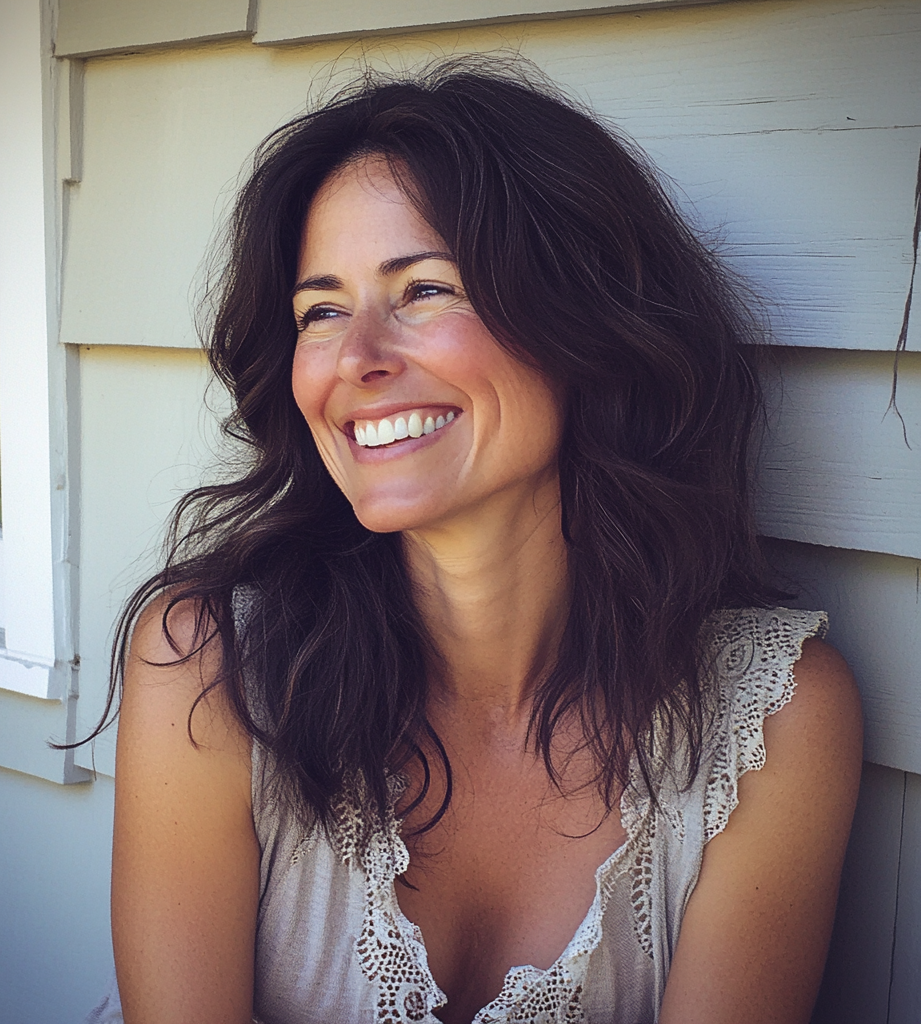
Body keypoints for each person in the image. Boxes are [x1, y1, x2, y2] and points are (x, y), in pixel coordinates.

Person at [94, 59, 863, 1024]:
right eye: (320, 311)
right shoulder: (210, 669)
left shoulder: (774, 722)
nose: (359, 359)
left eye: (424, 290)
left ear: (584, 322)